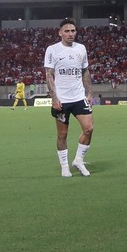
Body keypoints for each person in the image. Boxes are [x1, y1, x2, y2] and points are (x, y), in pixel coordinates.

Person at [44, 19, 94, 176]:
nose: (70, 34)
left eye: (73, 31)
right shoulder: (52, 50)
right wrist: (54, 97)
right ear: (60, 33)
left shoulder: (81, 48)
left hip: (79, 97)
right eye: (67, 31)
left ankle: (78, 160)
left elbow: (85, 71)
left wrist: (90, 92)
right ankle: (64, 165)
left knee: (89, 129)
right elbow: (49, 74)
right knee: (62, 134)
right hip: (62, 100)